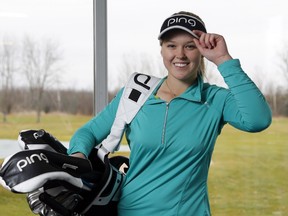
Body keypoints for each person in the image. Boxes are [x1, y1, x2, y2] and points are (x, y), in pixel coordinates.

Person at [67, 11, 272, 216]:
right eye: (171, 45)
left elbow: (258, 119)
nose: (180, 55)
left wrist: (223, 59)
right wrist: (78, 157)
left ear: (201, 51)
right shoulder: (136, 94)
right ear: (162, 50)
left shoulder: (215, 99)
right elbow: (89, 132)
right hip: (130, 211)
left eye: (190, 46)